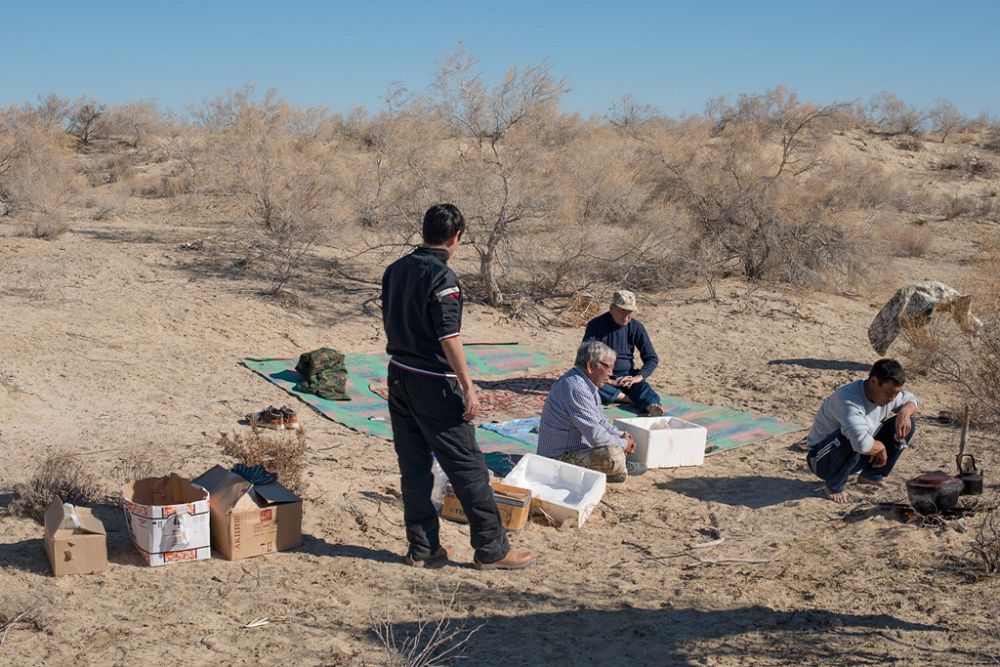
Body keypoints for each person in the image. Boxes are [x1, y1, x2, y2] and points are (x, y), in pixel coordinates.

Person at [381, 203, 535, 570]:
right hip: (433, 382)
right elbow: (449, 336)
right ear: (456, 237)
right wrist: (467, 385)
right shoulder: (443, 277)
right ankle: (492, 549)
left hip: (399, 373)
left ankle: (423, 547)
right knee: (467, 467)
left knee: (414, 466)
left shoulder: (395, 270)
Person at [805, 358, 919, 504]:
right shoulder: (848, 400)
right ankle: (834, 486)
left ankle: (871, 475)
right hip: (822, 461)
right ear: (873, 381)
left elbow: (912, 399)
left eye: (896, 394)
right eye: (888, 393)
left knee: (908, 423)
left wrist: (905, 412)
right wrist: (880, 447)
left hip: (854, 456)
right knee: (851, 434)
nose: (892, 399)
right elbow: (861, 444)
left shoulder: (888, 393)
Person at [536, 341, 647, 483]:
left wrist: (620, 435)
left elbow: (600, 420)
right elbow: (595, 435)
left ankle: (617, 467)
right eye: (608, 367)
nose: (611, 373)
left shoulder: (587, 384)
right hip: (557, 458)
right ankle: (618, 467)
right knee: (613, 454)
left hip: (576, 449)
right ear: (590, 366)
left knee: (614, 444)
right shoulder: (575, 387)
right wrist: (624, 444)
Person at [583, 290, 664, 416]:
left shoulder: (636, 327)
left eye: (629, 311)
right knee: (587, 383)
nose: (626, 316)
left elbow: (651, 358)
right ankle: (628, 399)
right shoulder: (596, 325)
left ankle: (651, 406)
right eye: (622, 311)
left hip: (627, 377)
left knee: (644, 388)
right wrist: (609, 380)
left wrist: (637, 377)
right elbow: (586, 356)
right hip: (602, 376)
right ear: (612, 308)